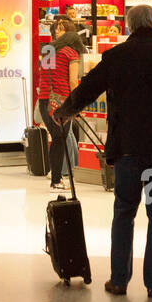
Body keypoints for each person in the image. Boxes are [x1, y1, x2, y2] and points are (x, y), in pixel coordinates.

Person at [53, 5, 152, 299]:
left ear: (129, 26)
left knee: (124, 213)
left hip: (127, 154)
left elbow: (88, 88)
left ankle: (119, 279)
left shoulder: (116, 57)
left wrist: (65, 111)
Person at [40, 18, 86, 190]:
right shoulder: (71, 53)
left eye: (61, 29)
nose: (57, 32)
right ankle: (56, 179)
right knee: (60, 139)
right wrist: (78, 103)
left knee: (57, 138)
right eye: (56, 28)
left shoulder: (47, 50)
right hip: (62, 102)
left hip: (45, 99)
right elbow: (73, 82)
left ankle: (56, 177)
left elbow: (44, 75)